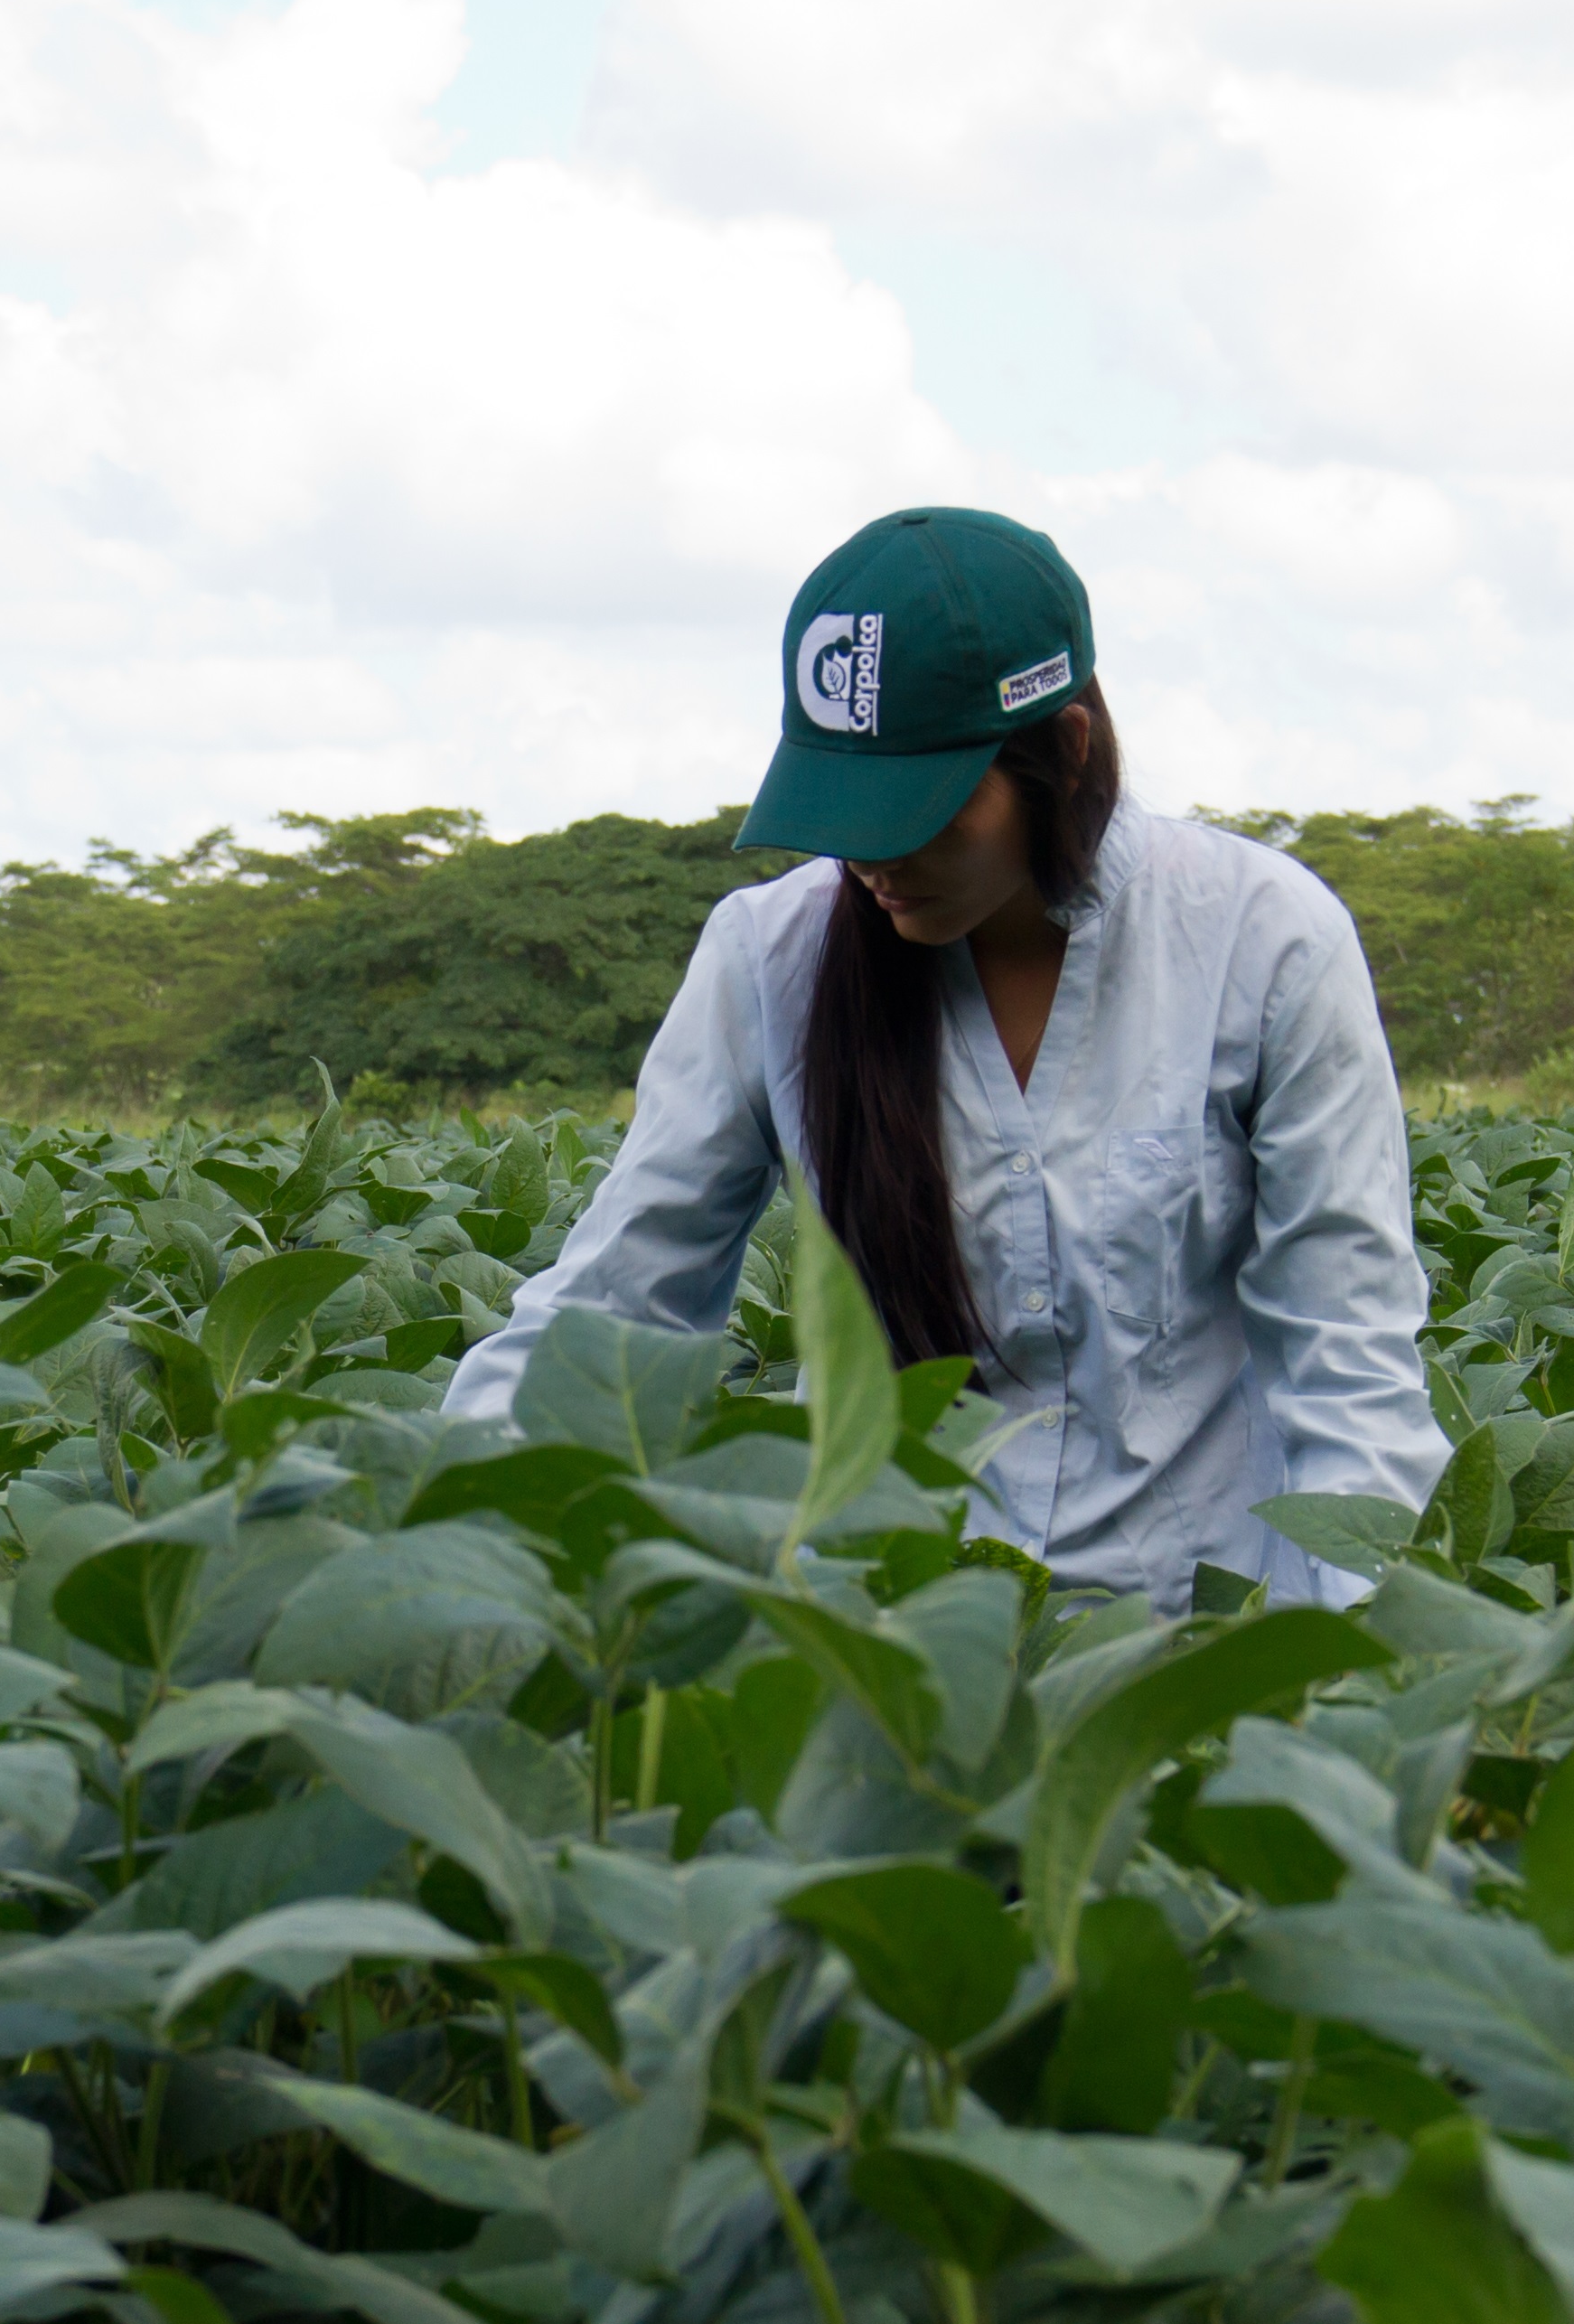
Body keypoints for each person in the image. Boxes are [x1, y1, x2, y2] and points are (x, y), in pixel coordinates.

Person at [438, 506, 1447, 1611]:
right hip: (884, 1647)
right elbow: (612, 1312)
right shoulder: (769, 959)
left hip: (1191, 1645)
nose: (873, 857)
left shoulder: (1265, 945)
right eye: (846, 809)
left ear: (1062, 749)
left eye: (919, 810)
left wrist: (1350, 1699)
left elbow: (1349, 1374)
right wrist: (427, 1545)